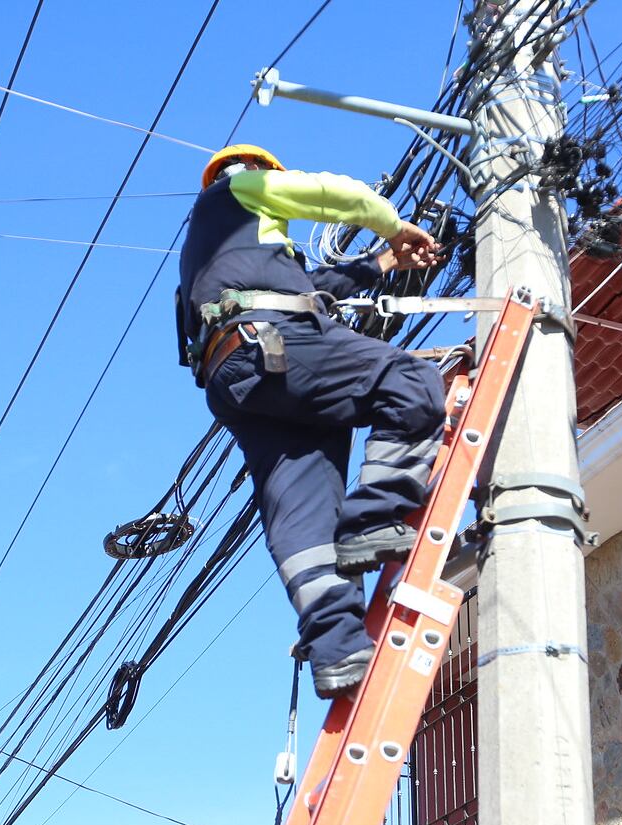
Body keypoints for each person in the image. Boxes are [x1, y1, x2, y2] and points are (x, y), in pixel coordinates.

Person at [177, 144, 447, 699]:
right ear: (257, 172)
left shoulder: (218, 259)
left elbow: (313, 290)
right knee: (410, 382)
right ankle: (374, 518)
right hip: (269, 343)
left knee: (301, 512)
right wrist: (393, 226)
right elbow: (334, 194)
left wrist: (383, 262)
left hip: (243, 376)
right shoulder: (235, 189)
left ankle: (337, 649)